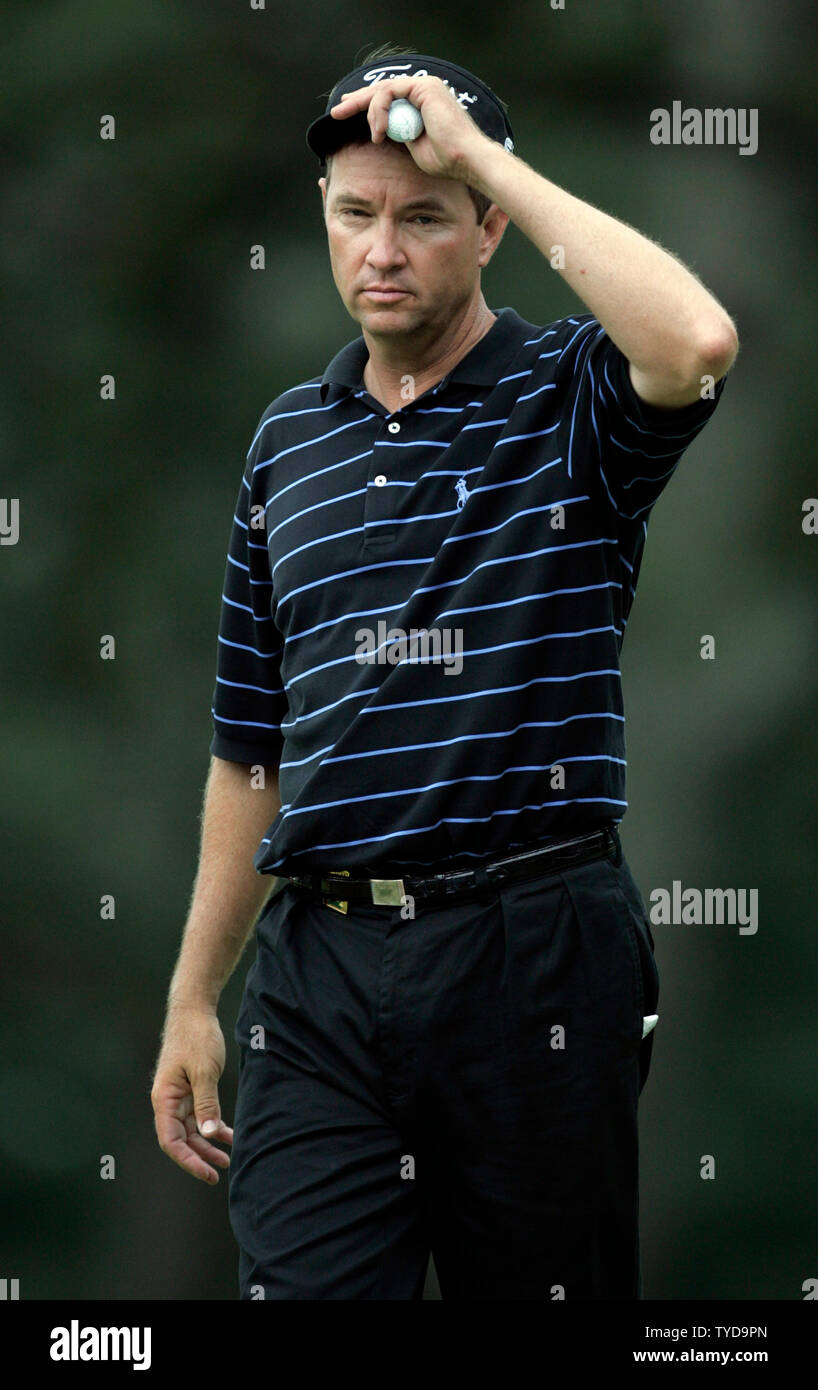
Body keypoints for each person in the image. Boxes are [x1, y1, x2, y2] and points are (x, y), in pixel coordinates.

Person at [151, 46, 738, 1300]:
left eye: (422, 217)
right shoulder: (284, 443)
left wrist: (474, 151)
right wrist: (196, 994)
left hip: (533, 951)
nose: (381, 249)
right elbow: (252, 742)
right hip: (318, 969)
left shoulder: (569, 392)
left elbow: (693, 341)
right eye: (355, 215)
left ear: (488, 228)